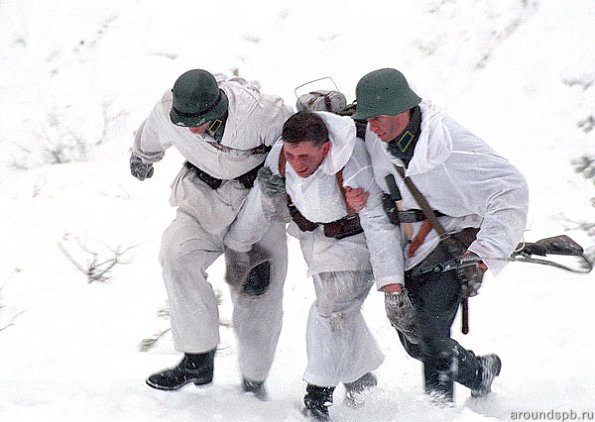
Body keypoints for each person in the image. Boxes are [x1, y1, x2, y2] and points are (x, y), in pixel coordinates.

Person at [348, 68, 529, 403]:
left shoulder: (450, 143)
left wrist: (484, 254)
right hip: (409, 247)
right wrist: (391, 284)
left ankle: (438, 411)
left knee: (431, 337)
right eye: (368, 119)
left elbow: (511, 188)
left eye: (379, 118)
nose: (372, 127)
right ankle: (480, 371)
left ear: (404, 108)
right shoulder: (375, 134)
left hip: (453, 242)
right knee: (416, 340)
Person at [224, 110, 403, 421]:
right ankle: (361, 382)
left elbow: (378, 223)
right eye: (291, 154)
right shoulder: (281, 157)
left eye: (304, 155)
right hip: (316, 244)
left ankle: (317, 397)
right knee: (340, 314)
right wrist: (238, 247)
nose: (297, 163)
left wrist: (391, 282)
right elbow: (261, 203)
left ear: (325, 148)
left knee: (330, 310)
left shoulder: (353, 159)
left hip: (357, 243)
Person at [130, 69, 293, 399]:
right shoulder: (169, 110)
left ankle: (253, 381)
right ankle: (197, 359)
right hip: (202, 199)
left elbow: (297, 139)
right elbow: (151, 132)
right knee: (176, 255)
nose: (191, 127)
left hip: (258, 207)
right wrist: (142, 157)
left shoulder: (261, 113)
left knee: (258, 299)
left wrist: (282, 172)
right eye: (185, 119)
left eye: (199, 120)